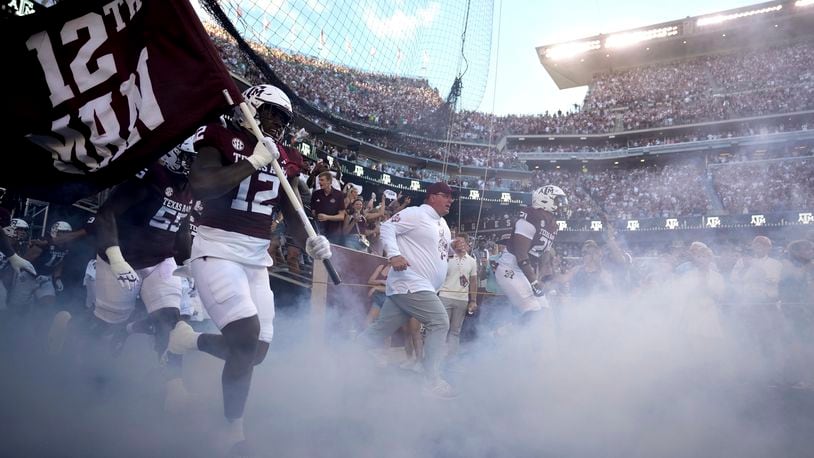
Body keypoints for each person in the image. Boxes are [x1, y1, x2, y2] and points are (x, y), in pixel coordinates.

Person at [165, 84, 331, 454]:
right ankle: (233, 432)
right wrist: (252, 162)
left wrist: (311, 239)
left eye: (284, 118)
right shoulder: (220, 137)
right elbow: (203, 185)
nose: (277, 122)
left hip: (256, 259)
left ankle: (188, 341)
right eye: (270, 112)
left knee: (255, 352)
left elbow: (291, 211)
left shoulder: (287, 156)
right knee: (246, 335)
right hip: (215, 250)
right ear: (248, 109)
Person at [84, 138, 196, 410]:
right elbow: (105, 214)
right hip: (122, 258)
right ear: (176, 157)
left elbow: (181, 229)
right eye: (195, 159)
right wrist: (116, 257)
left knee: (170, 317)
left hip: (160, 259)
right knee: (108, 325)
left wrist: (190, 262)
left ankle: (172, 382)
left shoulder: (193, 188)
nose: (201, 165)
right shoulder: (151, 176)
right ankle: (92, 370)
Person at [359, 182, 455, 399]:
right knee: (440, 322)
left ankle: (345, 355)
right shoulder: (416, 214)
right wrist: (393, 255)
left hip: (416, 287)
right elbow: (387, 227)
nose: (450, 200)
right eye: (445, 196)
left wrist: (453, 245)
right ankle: (431, 380)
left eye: (452, 197)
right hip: (411, 283)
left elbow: (432, 251)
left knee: (380, 330)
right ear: (431, 197)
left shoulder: (443, 225)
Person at [494, 185, 569, 326]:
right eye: (558, 201)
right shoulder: (532, 216)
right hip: (510, 268)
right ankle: (504, 334)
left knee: (547, 314)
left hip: (526, 272)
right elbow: (521, 253)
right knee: (533, 311)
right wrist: (534, 282)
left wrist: (541, 278)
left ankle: (540, 347)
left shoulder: (552, 224)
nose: (561, 205)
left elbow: (544, 254)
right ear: (545, 200)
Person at [438, 235, 478, 360]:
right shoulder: (446, 258)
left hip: (462, 299)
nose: (460, 244)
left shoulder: (472, 261)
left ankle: (451, 358)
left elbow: (474, 281)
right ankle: (437, 356)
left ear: (467, 244)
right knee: (442, 328)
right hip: (445, 296)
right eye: (457, 242)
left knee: (455, 331)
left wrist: (473, 301)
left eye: (463, 242)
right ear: (453, 244)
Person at [310, 170, 346, 245]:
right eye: (319, 180)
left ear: (329, 181)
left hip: (333, 232)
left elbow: (342, 216)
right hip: (318, 230)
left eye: (322, 180)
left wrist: (327, 217)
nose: (320, 182)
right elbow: (313, 212)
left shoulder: (339, 195)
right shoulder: (315, 194)